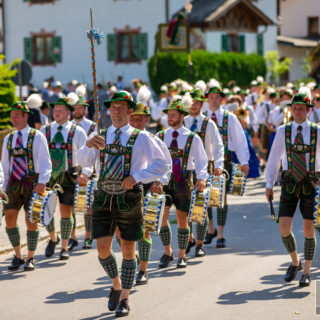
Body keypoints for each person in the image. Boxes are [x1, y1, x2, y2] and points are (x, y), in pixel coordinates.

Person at [78, 91, 170, 317]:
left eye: (121, 107)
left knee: (129, 250)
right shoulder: (99, 135)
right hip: (103, 195)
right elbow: (81, 162)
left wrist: (137, 177)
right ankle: (116, 285)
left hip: (129, 198)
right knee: (102, 250)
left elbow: (162, 164)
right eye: (113, 107)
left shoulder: (142, 137)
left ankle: (125, 298)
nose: (116, 111)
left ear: (130, 111)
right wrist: (88, 145)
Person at [265, 94, 318, 287]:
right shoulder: (282, 131)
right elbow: (273, 159)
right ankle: (295, 262)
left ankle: (307, 271)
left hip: (311, 182)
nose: (298, 111)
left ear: (308, 110)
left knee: (308, 229)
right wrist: (269, 184)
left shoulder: (317, 131)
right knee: (284, 227)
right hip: (289, 181)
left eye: (302, 108)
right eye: (295, 108)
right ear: (291, 109)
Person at [156, 100, 208, 268]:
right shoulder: (161, 136)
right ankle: (167, 252)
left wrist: (201, 178)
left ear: (181, 116)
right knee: (162, 218)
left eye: (173, 115)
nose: (170, 118)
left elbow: (201, 160)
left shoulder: (192, 137)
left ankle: (182, 255)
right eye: (168, 115)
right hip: (165, 180)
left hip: (184, 180)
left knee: (182, 219)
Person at [2, 102, 51, 271]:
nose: (14, 119)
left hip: (33, 183)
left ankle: (31, 257)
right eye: (12, 115)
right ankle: (18, 255)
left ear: (25, 116)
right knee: (9, 217)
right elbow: (5, 166)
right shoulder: (9, 139)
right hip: (13, 183)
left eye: (17, 115)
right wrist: (2, 187)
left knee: (31, 220)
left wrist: (43, 182)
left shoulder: (37, 136)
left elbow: (46, 162)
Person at [41, 98, 92, 261]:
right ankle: (52, 238)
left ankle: (64, 246)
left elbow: (87, 156)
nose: (56, 113)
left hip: (69, 176)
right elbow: (38, 155)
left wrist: (86, 172)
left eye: (60, 110)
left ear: (68, 113)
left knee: (65, 211)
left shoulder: (78, 132)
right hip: (48, 176)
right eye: (55, 110)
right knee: (46, 210)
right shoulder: (45, 130)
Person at [128, 102, 171, 285]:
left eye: (140, 118)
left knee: (145, 228)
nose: (136, 121)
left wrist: (159, 181)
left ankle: (143, 269)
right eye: (133, 118)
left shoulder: (153, 139)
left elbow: (165, 164)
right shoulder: (123, 138)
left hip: (147, 186)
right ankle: (134, 255)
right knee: (121, 231)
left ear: (146, 120)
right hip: (126, 186)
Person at [203, 87, 249, 248]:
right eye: (211, 97)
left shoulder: (230, 118)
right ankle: (210, 228)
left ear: (222, 100)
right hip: (205, 162)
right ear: (207, 99)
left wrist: (244, 161)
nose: (214, 99)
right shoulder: (203, 118)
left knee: (221, 198)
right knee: (205, 196)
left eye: (217, 97)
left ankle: (220, 234)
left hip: (224, 161)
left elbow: (239, 139)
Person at [183, 89, 224, 256]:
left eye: (197, 102)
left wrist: (219, 165)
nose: (194, 105)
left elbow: (219, 145)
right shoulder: (182, 121)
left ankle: (199, 243)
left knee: (201, 206)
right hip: (185, 169)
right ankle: (190, 238)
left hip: (203, 168)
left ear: (201, 104)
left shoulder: (209, 123)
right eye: (191, 102)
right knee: (185, 208)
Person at [69, 95, 97, 250]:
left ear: (85, 109)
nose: (77, 110)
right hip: (71, 169)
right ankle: (72, 236)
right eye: (75, 107)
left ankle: (88, 235)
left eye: (80, 107)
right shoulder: (68, 125)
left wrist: (87, 171)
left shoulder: (93, 126)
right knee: (70, 204)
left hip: (88, 169)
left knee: (88, 205)